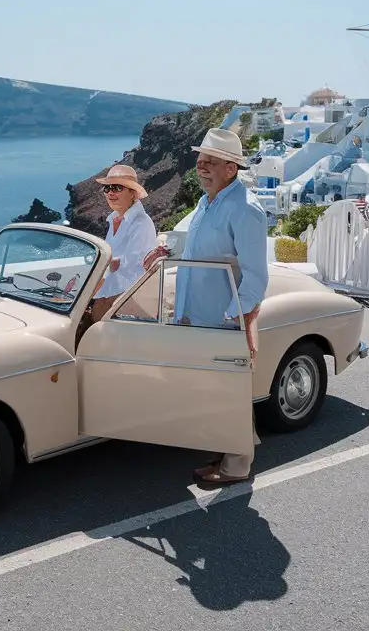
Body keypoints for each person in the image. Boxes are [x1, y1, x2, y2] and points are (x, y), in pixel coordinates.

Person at [142, 128, 269, 489]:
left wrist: (234, 318)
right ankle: (223, 450)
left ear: (232, 168)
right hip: (198, 316)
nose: (202, 167)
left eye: (211, 161)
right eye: (201, 160)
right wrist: (167, 248)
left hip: (222, 319)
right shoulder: (206, 202)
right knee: (213, 390)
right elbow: (199, 249)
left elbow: (257, 276)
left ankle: (237, 465)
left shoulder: (246, 210)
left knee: (230, 391)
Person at [88, 164, 156, 323]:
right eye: (107, 188)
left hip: (124, 304)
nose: (110, 192)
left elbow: (130, 267)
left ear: (133, 194)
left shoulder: (141, 223)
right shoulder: (113, 220)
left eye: (117, 188)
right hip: (107, 298)